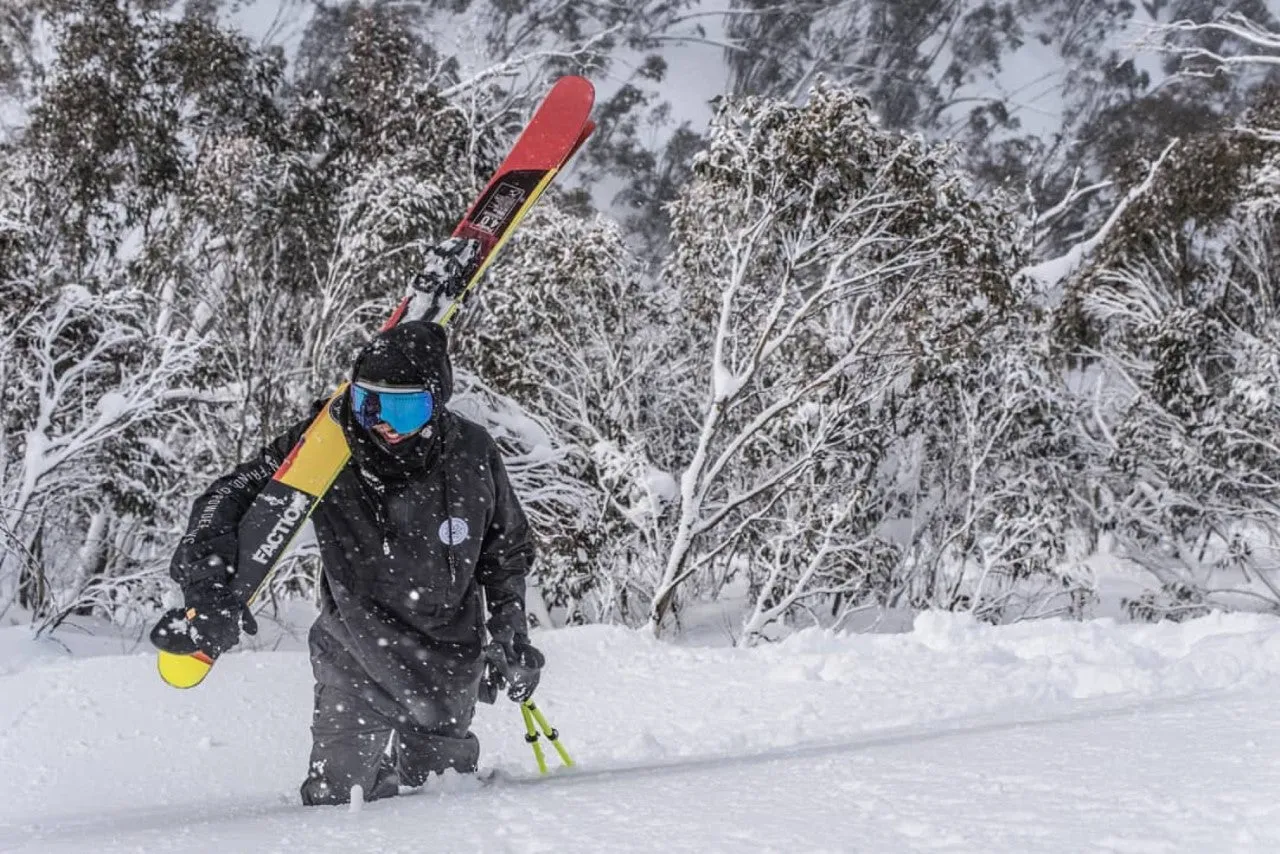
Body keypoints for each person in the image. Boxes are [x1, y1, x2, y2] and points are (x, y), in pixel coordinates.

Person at [165, 259, 544, 805]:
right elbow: (225, 498)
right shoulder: (326, 445)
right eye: (369, 402)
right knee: (338, 801)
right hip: (354, 657)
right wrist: (207, 589)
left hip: (449, 666)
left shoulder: (471, 454)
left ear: (436, 404)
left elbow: (504, 554)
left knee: (444, 805)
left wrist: (510, 635)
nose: (383, 422)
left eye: (405, 407)